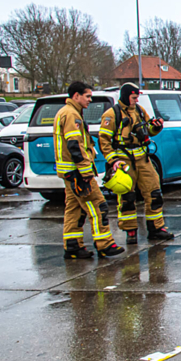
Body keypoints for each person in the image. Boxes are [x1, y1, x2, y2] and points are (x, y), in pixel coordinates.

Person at [55, 81, 125, 259]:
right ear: (75, 96)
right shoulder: (72, 115)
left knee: (74, 210)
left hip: (69, 172)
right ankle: (105, 244)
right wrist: (86, 173)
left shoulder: (65, 112)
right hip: (77, 172)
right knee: (98, 205)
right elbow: (75, 146)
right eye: (87, 96)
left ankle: (72, 246)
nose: (90, 100)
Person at [98, 83, 174, 245]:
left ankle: (156, 228)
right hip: (124, 161)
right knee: (127, 196)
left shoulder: (140, 111)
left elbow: (148, 131)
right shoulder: (112, 114)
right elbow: (104, 141)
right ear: (125, 96)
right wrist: (114, 160)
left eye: (137, 97)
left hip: (143, 158)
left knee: (154, 192)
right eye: (133, 97)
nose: (136, 100)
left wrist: (156, 128)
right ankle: (130, 230)